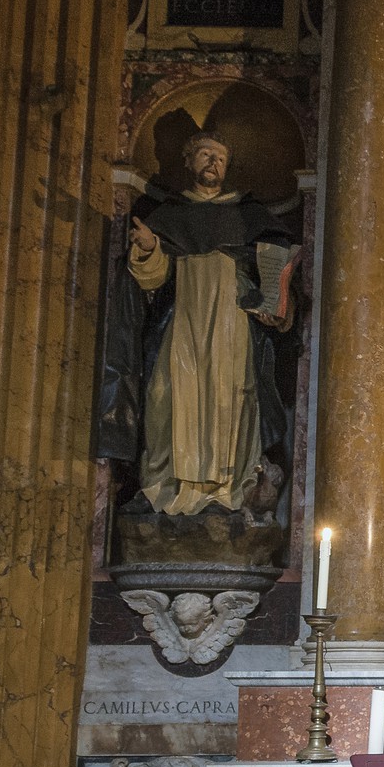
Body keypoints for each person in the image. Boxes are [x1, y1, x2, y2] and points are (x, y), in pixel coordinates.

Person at [96, 131, 295, 516]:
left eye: (219, 156)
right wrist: (151, 249)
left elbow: (277, 283)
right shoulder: (170, 217)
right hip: (180, 324)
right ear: (189, 162)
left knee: (231, 400)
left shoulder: (249, 217)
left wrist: (277, 310)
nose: (212, 162)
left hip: (232, 328)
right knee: (165, 398)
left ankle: (227, 492)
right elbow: (150, 282)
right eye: (204, 154)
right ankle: (166, 488)